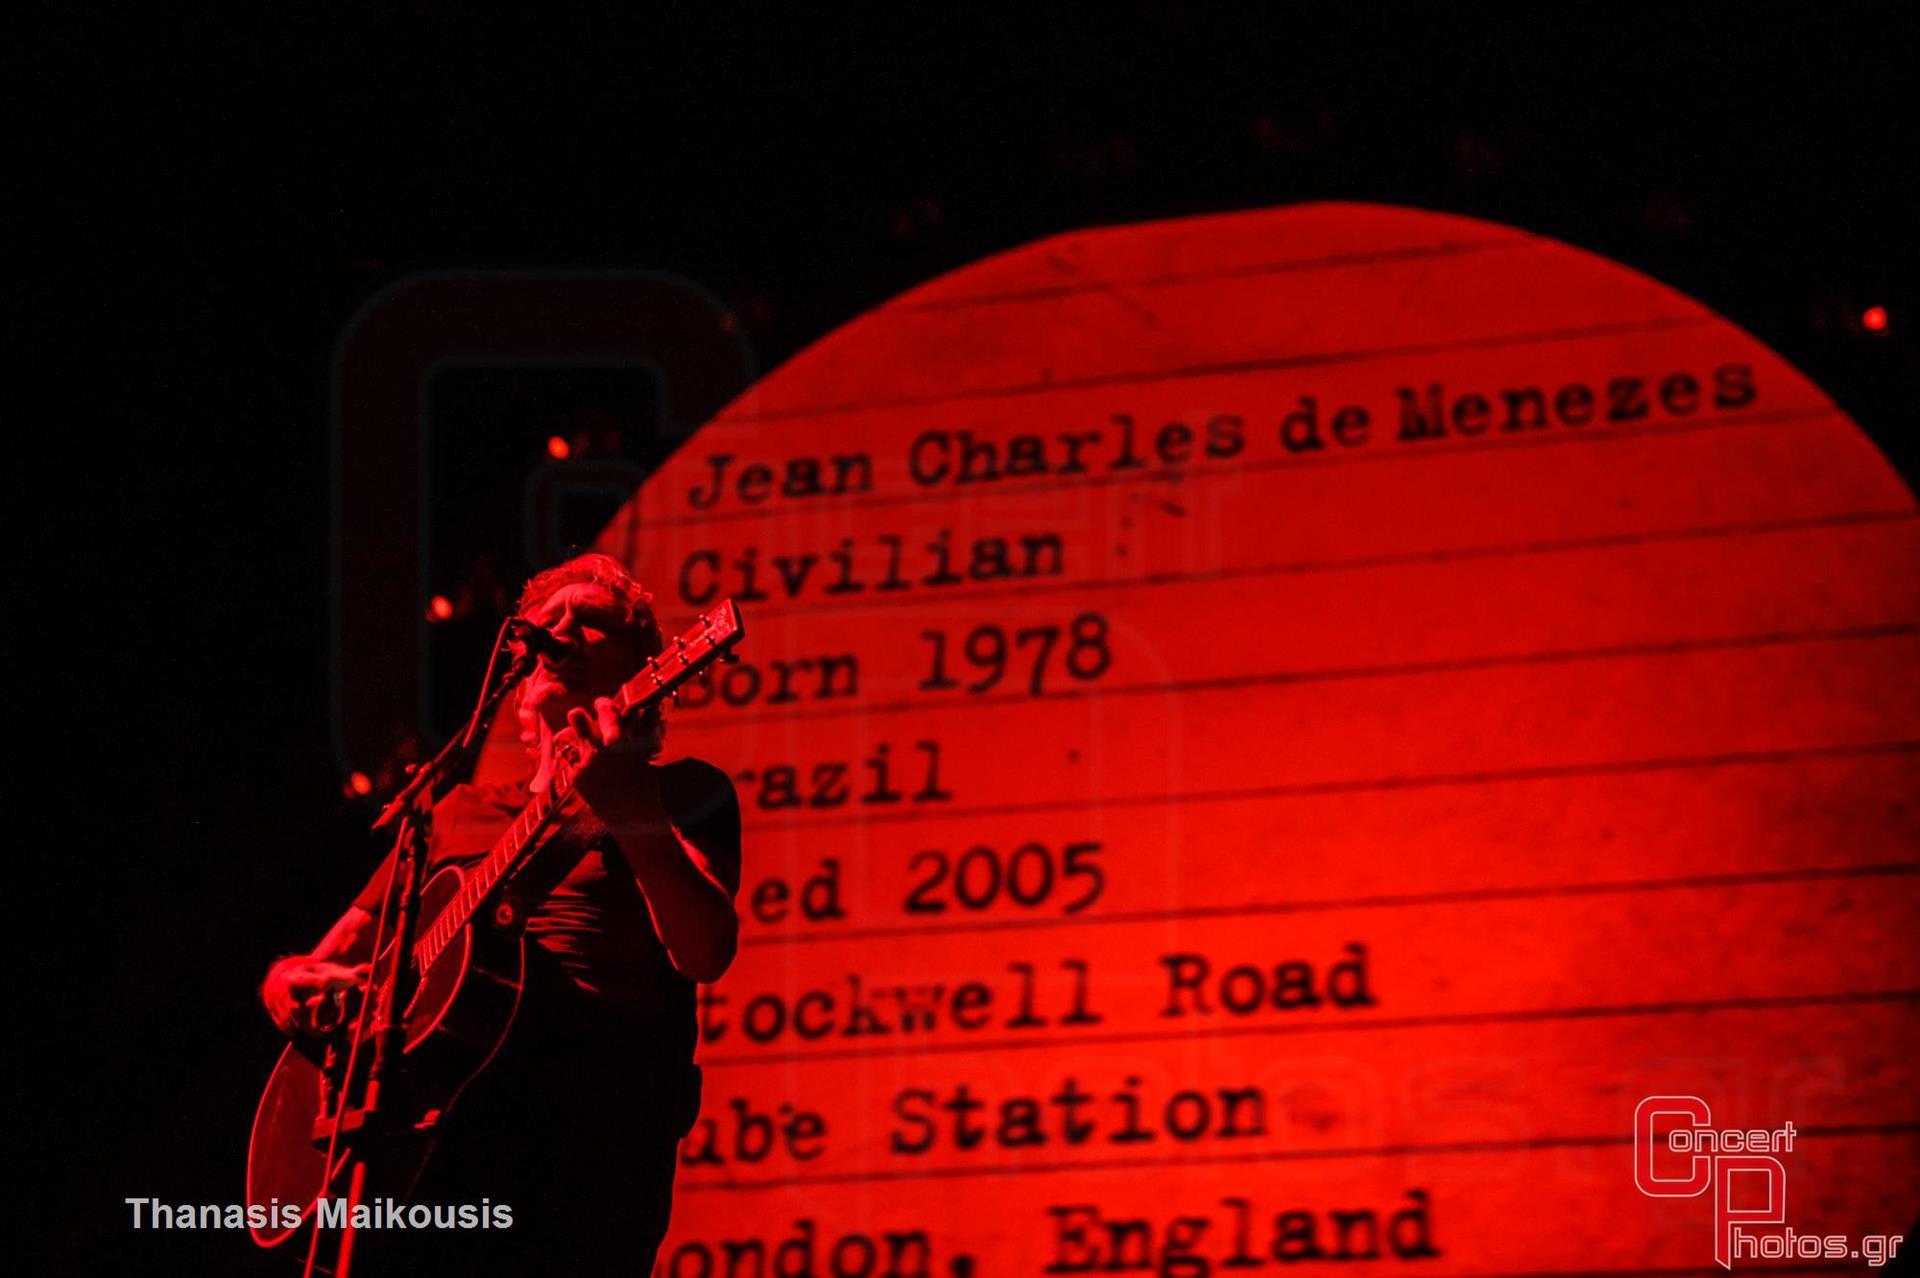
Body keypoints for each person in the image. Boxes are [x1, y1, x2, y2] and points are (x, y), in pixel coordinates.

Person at [261, 552, 742, 1275]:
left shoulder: (683, 793)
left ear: (650, 666)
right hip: (441, 1138)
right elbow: (328, 961)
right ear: (518, 670)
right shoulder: (457, 814)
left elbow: (706, 951)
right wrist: (288, 985)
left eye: (594, 623)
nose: (563, 632)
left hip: (587, 1144)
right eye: (548, 623)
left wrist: (632, 812)